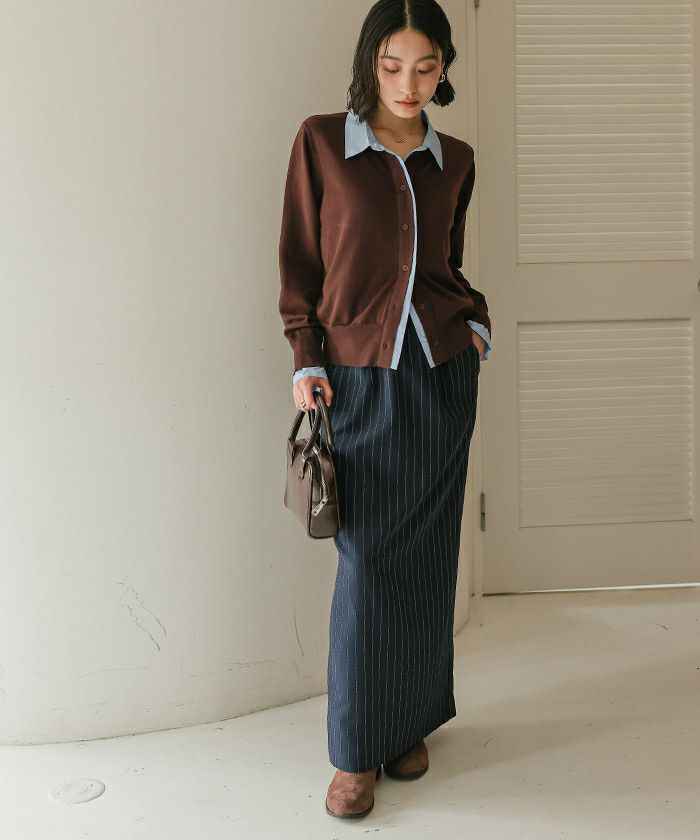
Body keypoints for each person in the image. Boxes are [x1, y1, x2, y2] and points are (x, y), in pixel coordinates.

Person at [278, 0, 492, 820]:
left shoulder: (455, 159)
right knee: (367, 563)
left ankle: (408, 722)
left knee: (429, 559)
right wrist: (305, 355)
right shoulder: (321, 143)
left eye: (427, 68)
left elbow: (447, 266)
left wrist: (475, 324)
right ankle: (355, 752)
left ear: (443, 71)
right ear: (371, 61)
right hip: (356, 380)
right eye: (394, 66)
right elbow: (301, 261)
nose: (409, 83)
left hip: (440, 374)